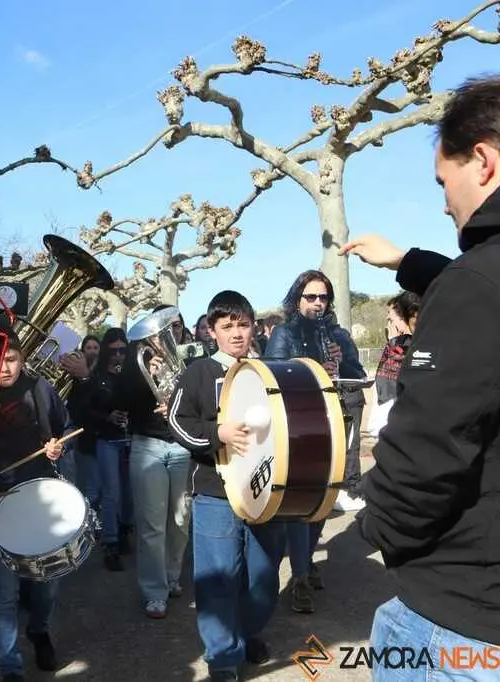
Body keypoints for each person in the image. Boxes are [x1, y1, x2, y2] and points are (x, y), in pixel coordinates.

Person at [346, 75, 500, 681]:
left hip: (460, 620)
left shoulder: (475, 287)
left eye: (444, 180)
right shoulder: (477, 283)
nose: (443, 202)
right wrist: (409, 261)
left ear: (484, 161)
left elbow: (428, 452)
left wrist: (374, 525)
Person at [168, 290, 285, 682]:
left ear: (254, 326)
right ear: (212, 331)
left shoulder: (268, 370)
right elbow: (178, 421)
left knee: (264, 577)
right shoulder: (199, 372)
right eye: (227, 326)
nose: (236, 333)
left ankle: (248, 630)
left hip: (267, 491)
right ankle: (222, 659)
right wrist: (217, 433)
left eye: (243, 324)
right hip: (216, 494)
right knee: (218, 578)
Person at [264, 269, 366, 615]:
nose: (318, 303)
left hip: (335, 419)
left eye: (323, 297)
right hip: (300, 424)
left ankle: (305, 561)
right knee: (301, 499)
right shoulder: (284, 332)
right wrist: (313, 369)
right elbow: (273, 373)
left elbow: (358, 375)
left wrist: (342, 363)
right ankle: (300, 577)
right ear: (297, 299)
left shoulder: (337, 333)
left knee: (325, 497)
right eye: (311, 297)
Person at [0, 329, 73, 681]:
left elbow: (65, 429)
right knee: (5, 591)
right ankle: (10, 665)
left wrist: (57, 447)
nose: (5, 368)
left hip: (40, 496)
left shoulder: (41, 389)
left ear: (22, 360)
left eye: (12, 360)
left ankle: (39, 629)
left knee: (47, 581)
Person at [113, 304, 194, 618]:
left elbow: (202, 403)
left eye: (174, 327)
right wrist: (149, 376)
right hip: (147, 445)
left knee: (181, 520)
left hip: (183, 447)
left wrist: (176, 396)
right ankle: (154, 591)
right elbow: (120, 401)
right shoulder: (139, 361)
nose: (168, 334)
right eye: (162, 330)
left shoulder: (193, 359)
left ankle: (172, 577)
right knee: (151, 525)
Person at [67, 328, 130, 572]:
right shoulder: (96, 377)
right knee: (109, 493)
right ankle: (110, 544)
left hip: (131, 439)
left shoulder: (133, 372)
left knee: (128, 493)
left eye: (122, 350)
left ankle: (124, 529)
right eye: (113, 351)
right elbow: (82, 408)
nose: (118, 356)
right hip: (105, 440)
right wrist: (108, 416)